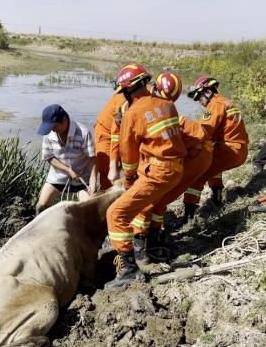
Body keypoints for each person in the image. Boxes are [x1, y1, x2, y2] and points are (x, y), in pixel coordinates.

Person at [105, 64, 187, 288]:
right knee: (149, 205)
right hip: (175, 169)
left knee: (116, 213)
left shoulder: (132, 114)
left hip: (158, 171)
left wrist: (130, 181)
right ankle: (145, 248)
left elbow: (129, 158)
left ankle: (130, 269)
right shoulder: (167, 105)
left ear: (127, 90)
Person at [130, 71, 213, 263]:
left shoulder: (159, 114)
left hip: (196, 157)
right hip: (199, 156)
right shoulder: (168, 112)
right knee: (159, 199)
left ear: (156, 89)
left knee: (150, 200)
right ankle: (154, 238)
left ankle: (142, 246)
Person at [183, 76, 249, 220]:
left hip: (229, 150)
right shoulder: (224, 101)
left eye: (199, 97)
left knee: (197, 174)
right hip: (238, 149)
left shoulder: (215, 105)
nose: (198, 102)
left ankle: (189, 215)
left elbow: (204, 130)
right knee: (212, 165)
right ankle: (217, 199)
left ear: (207, 92)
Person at [35, 104, 97, 215]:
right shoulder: (49, 134)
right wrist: (67, 170)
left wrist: (93, 183)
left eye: (54, 127)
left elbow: (92, 160)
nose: (53, 131)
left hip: (81, 180)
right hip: (57, 177)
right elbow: (49, 157)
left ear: (64, 120)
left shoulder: (83, 133)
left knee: (89, 210)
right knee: (41, 207)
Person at [95, 85, 128, 190]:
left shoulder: (145, 97)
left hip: (123, 133)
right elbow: (115, 134)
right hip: (106, 134)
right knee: (107, 169)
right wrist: (113, 165)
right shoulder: (123, 99)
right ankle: (106, 195)